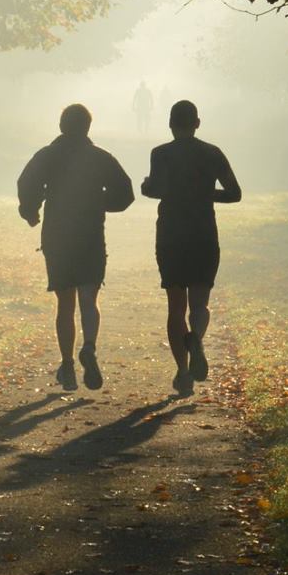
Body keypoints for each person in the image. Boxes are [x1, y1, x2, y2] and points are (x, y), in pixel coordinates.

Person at [17, 104, 134, 391]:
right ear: (88, 128)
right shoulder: (100, 158)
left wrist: (31, 211)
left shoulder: (47, 156)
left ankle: (67, 365)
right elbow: (125, 192)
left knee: (64, 302)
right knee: (89, 298)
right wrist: (101, 203)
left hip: (57, 235)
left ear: (61, 126)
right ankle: (90, 348)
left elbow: (26, 183)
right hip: (90, 234)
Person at [141, 99, 241, 395]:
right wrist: (204, 193)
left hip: (171, 234)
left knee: (175, 307)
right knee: (200, 303)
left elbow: (156, 189)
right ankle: (195, 336)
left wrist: (148, 187)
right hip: (203, 233)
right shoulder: (212, 153)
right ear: (197, 123)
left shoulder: (160, 153)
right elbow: (234, 194)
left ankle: (183, 373)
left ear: (171, 125)